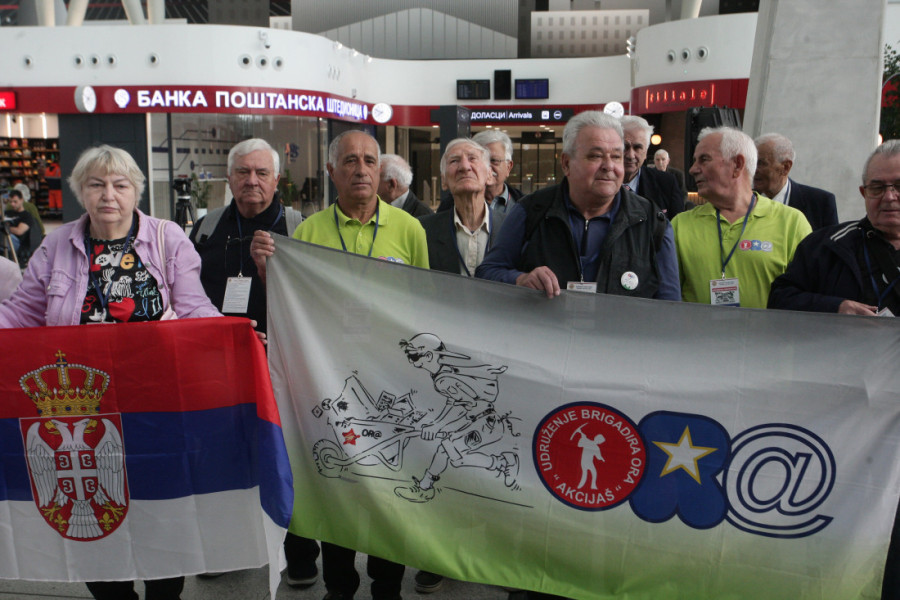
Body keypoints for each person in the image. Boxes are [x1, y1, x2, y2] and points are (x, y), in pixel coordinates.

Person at [0, 144, 223, 600]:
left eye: (120, 185)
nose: (109, 195)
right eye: (97, 184)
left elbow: (195, 307)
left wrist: (231, 337)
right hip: (81, 411)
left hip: (155, 404)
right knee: (89, 508)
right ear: (80, 191)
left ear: (136, 190)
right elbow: (21, 315)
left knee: (162, 512)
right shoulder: (56, 245)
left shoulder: (166, 239)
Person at [251, 129, 429, 600]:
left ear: (382, 169)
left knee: (389, 485)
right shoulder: (309, 232)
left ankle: (388, 584)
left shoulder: (409, 230)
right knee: (338, 484)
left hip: (392, 384)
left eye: (370, 160)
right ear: (331, 171)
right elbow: (293, 308)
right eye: (350, 160)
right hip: (331, 383)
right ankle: (340, 584)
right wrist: (270, 273)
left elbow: (426, 307)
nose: (361, 169)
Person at [188, 138, 317, 587]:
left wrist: (270, 274)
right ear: (229, 178)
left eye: (262, 173)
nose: (252, 181)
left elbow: (313, 301)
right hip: (219, 366)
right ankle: (228, 550)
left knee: (288, 456)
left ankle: (300, 554)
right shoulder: (204, 229)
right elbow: (187, 297)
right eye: (243, 172)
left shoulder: (300, 227)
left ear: (277, 179)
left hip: (282, 362)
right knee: (225, 458)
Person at [475, 110, 681, 302]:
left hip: (621, 339)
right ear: (566, 163)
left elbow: (670, 305)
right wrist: (520, 279)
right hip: (547, 336)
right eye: (596, 156)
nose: (609, 166)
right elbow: (487, 272)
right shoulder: (530, 211)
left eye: (616, 156)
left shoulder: (652, 222)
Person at [671, 127, 812, 309]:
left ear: (737, 164)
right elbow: (669, 297)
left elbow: (807, 294)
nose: (692, 169)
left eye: (704, 159)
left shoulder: (792, 223)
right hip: (698, 337)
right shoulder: (680, 225)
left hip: (767, 337)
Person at [768, 139, 900, 315]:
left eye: (899, 186)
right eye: (877, 188)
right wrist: (836, 308)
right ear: (864, 193)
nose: (889, 197)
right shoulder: (825, 245)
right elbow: (779, 299)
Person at [419, 138, 507, 276]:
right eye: (454, 161)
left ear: (489, 175)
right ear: (444, 181)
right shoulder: (422, 230)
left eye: (472, 158)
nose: (465, 167)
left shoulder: (511, 227)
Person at [754, 133, 838, 231]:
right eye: (752, 162)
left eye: (761, 163)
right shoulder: (742, 199)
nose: (754, 169)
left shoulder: (820, 203)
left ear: (786, 167)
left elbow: (829, 244)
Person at [436, 130, 523, 215]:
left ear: (508, 167)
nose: (486, 167)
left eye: (493, 160)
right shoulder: (447, 208)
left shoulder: (527, 206)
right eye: (479, 160)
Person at [620, 116, 684, 219]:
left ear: (646, 153)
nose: (631, 155)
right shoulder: (598, 182)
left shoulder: (666, 183)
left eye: (638, 148)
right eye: (625, 147)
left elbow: (676, 228)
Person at [4, 188, 41, 262]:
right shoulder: (8, 213)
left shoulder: (26, 216)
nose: (12, 204)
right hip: (5, 238)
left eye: (15, 202)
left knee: (7, 235)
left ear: (21, 200)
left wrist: (5, 227)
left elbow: (19, 231)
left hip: (17, 242)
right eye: (11, 202)